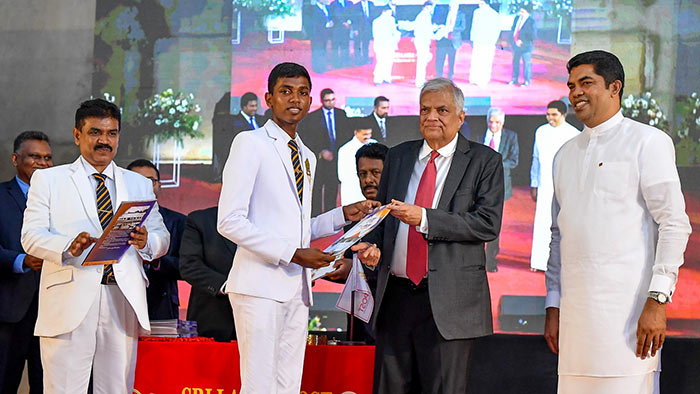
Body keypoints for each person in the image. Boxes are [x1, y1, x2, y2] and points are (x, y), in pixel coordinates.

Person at [217, 62, 380, 394]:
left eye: (303, 92)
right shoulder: (250, 143)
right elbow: (229, 221)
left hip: (297, 288)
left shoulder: (306, 154)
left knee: (288, 385)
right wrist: (292, 254)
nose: (296, 99)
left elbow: (298, 227)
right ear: (268, 98)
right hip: (258, 286)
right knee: (260, 386)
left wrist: (344, 214)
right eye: (286, 91)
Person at [544, 50, 691, 394]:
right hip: (575, 328)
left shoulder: (648, 142)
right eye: (571, 85)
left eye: (586, 83)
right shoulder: (564, 154)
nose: (575, 92)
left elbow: (674, 223)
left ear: (615, 88)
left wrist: (657, 299)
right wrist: (553, 303)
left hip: (629, 323)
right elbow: (558, 235)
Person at [363, 78, 504, 393]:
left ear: (460, 116)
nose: (431, 117)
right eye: (425, 109)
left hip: (449, 301)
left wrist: (425, 218)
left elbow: (486, 223)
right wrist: (372, 247)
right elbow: (383, 221)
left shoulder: (484, 161)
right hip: (395, 299)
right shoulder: (398, 157)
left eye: (442, 110)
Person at [21, 98, 170, 393]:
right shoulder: (49, 180)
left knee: (118, 388)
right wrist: (68, 246)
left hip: (121, 298)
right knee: (64, 388)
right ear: (77, 135)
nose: (104, 140)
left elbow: (161, 235)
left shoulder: (138, 183)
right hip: (70, 297)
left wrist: (147, 241)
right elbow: (31, 235)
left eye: (111, 133)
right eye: (95, 133)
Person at [0, 131, 52, 393]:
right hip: (9, 310)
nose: (42, 163)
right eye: (34, 157)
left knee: (46, 384)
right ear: (15, 158)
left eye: (47, 158)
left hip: (53, 310)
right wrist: (20, 260)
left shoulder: (60, 199)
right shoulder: (0, 196)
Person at [327, 142, 389, 344]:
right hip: (358, 328)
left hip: (390, 329)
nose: (368, 180)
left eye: (375, 172)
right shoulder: (354, 220)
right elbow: (346, 269)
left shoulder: (403, 218)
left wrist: (357, 268)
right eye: (362, 174)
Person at [127, 159, 186, 320]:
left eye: (150, 181)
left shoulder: (178, 221)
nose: (144, 186)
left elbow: (186, 267)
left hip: (162, 303)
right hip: (123, 299)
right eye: (137, 180)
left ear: (159, 185)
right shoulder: (114, 218)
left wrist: (156, 261)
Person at [528, 100, 579, 272]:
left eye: (554, 115)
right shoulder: (540, 132)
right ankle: (539, 262)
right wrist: (534, 183)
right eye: (548, 114)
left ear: (563, 115)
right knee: (543, 222)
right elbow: (536, 159)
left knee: (563, 224)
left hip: (566, 186)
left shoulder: (574, 134)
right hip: (544, 184)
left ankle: (562, 263)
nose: (550, 118)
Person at [179, 206, 237, 342]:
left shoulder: (269, 221)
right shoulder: (200, 220)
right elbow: (189, 266)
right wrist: (226, 286)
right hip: (213, 321)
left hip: (261, 320)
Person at [473, 107, 519, 272]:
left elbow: (514, 160)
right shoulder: (478, 135)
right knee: (476, 222)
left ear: (503, 123)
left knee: (493, 224)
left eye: (497, 122)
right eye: (491, 121)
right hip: (478, 187)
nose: (494, 125)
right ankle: (476, 258)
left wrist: (494, 166)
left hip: (500, 187)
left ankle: (490, 261)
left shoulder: (511, 137)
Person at [299, 88, 352, 215]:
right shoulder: (312, 117)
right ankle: (316, 217)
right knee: (317, 189)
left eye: (333, 99)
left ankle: (331, 215)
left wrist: (339, 152)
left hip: (337, 159)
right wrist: (321, 152)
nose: (331, 102)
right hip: (320, 161)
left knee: (332, 188)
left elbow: (347, 134)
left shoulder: (341, 114)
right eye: (327, 100)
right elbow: (307, 139)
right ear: (322, 101)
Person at [212, 92, 265, 181]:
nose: (254, 109)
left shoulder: (261, 120)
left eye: (256, 106)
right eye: (251, 106)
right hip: (244, 161)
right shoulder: (233, 122)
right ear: (244, 107)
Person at [399, 1, 438, 87]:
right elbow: (425, 29)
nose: (431, 9)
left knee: (423, 61)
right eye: (431, 7)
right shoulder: (424, 16)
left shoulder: (424, 16)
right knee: (422, 62)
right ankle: (419, 82)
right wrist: (434, 30)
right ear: (427, 7)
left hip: (422, 41)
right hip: (422, 41)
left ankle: (421, 80)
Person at [338, 126, 376, 205]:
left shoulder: (375, 144)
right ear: (356, 133)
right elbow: (342, 176)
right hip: (353, 193)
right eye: (365, 134)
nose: (368, 137)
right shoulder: (345, 149)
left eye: (369, 134)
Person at [468, 0, 501, 86]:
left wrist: (493, 40)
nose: (479, 4)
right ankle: (474, 78)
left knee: (486, 60)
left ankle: (484, 79)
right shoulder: (477, 12)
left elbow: (497, 29)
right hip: (478, 40)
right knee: (476, 59)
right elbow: (473, 26)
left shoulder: (494, 14)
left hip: (488, 41)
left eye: (481, 3)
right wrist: (472, 38)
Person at [433, 1, 466, 80]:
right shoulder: (444, 13)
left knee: (451, 59)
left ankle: (450, 75)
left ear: (457, 7)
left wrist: (452, 29)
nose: (451, 7)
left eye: (453, 6)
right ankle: (439, 75)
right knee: (440, 57)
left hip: (453, 40)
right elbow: (438, 22)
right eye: (450, 6)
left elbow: (463, 27)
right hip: (443, 38)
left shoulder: (461, 15)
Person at [372, 6, 401, 86]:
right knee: (381, 62)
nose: (390, 14)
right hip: (380, 45)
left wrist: (396, 37)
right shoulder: (376, 21)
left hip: (390, 44)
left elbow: (394, 31)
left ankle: (387, 77)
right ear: (384, 12)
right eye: (389, 12)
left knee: (389, 61)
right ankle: (378, 79)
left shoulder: (391, 20)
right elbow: (375, 34)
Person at [509, 5, 537, 87]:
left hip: (526, 46)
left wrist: (522, 41)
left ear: (527, 12)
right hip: (516, 44)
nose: (520, 13)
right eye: (520, 11)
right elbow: (513, 29)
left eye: (522, 12)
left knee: (526, 64)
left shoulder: (531, 21)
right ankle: (514, 79)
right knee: (515, 62)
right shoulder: (517, 18)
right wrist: (514, 40)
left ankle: (526, 80)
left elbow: (533, 35)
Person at [308, 0, 333, 73]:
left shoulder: (326, 7)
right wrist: (325, 24)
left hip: (325, 34)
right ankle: (317, 68)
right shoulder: (313, 9)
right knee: (317, 51)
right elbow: (314, 22)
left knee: (323, 50)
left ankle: (322, 66)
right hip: (317, 34)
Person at [352, 0, 377, 66]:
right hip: (359, 29)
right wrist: (355, 29)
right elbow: (354, 19)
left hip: (368, 28)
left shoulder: (371, 4)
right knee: (357, 44)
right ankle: (357, 59)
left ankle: (365, 59)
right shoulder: (356, 6)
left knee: (366, 44)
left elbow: (374, 16)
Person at [330, 0, 353, 69]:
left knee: (345, 46)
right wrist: (343, 23)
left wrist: (349, 22)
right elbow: (333, 16)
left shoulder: (349, 3)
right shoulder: (333, 4)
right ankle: (336, 64)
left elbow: (352, 13)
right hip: (336, 29)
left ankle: (345, 62)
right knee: (335, 47)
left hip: (346, 29)